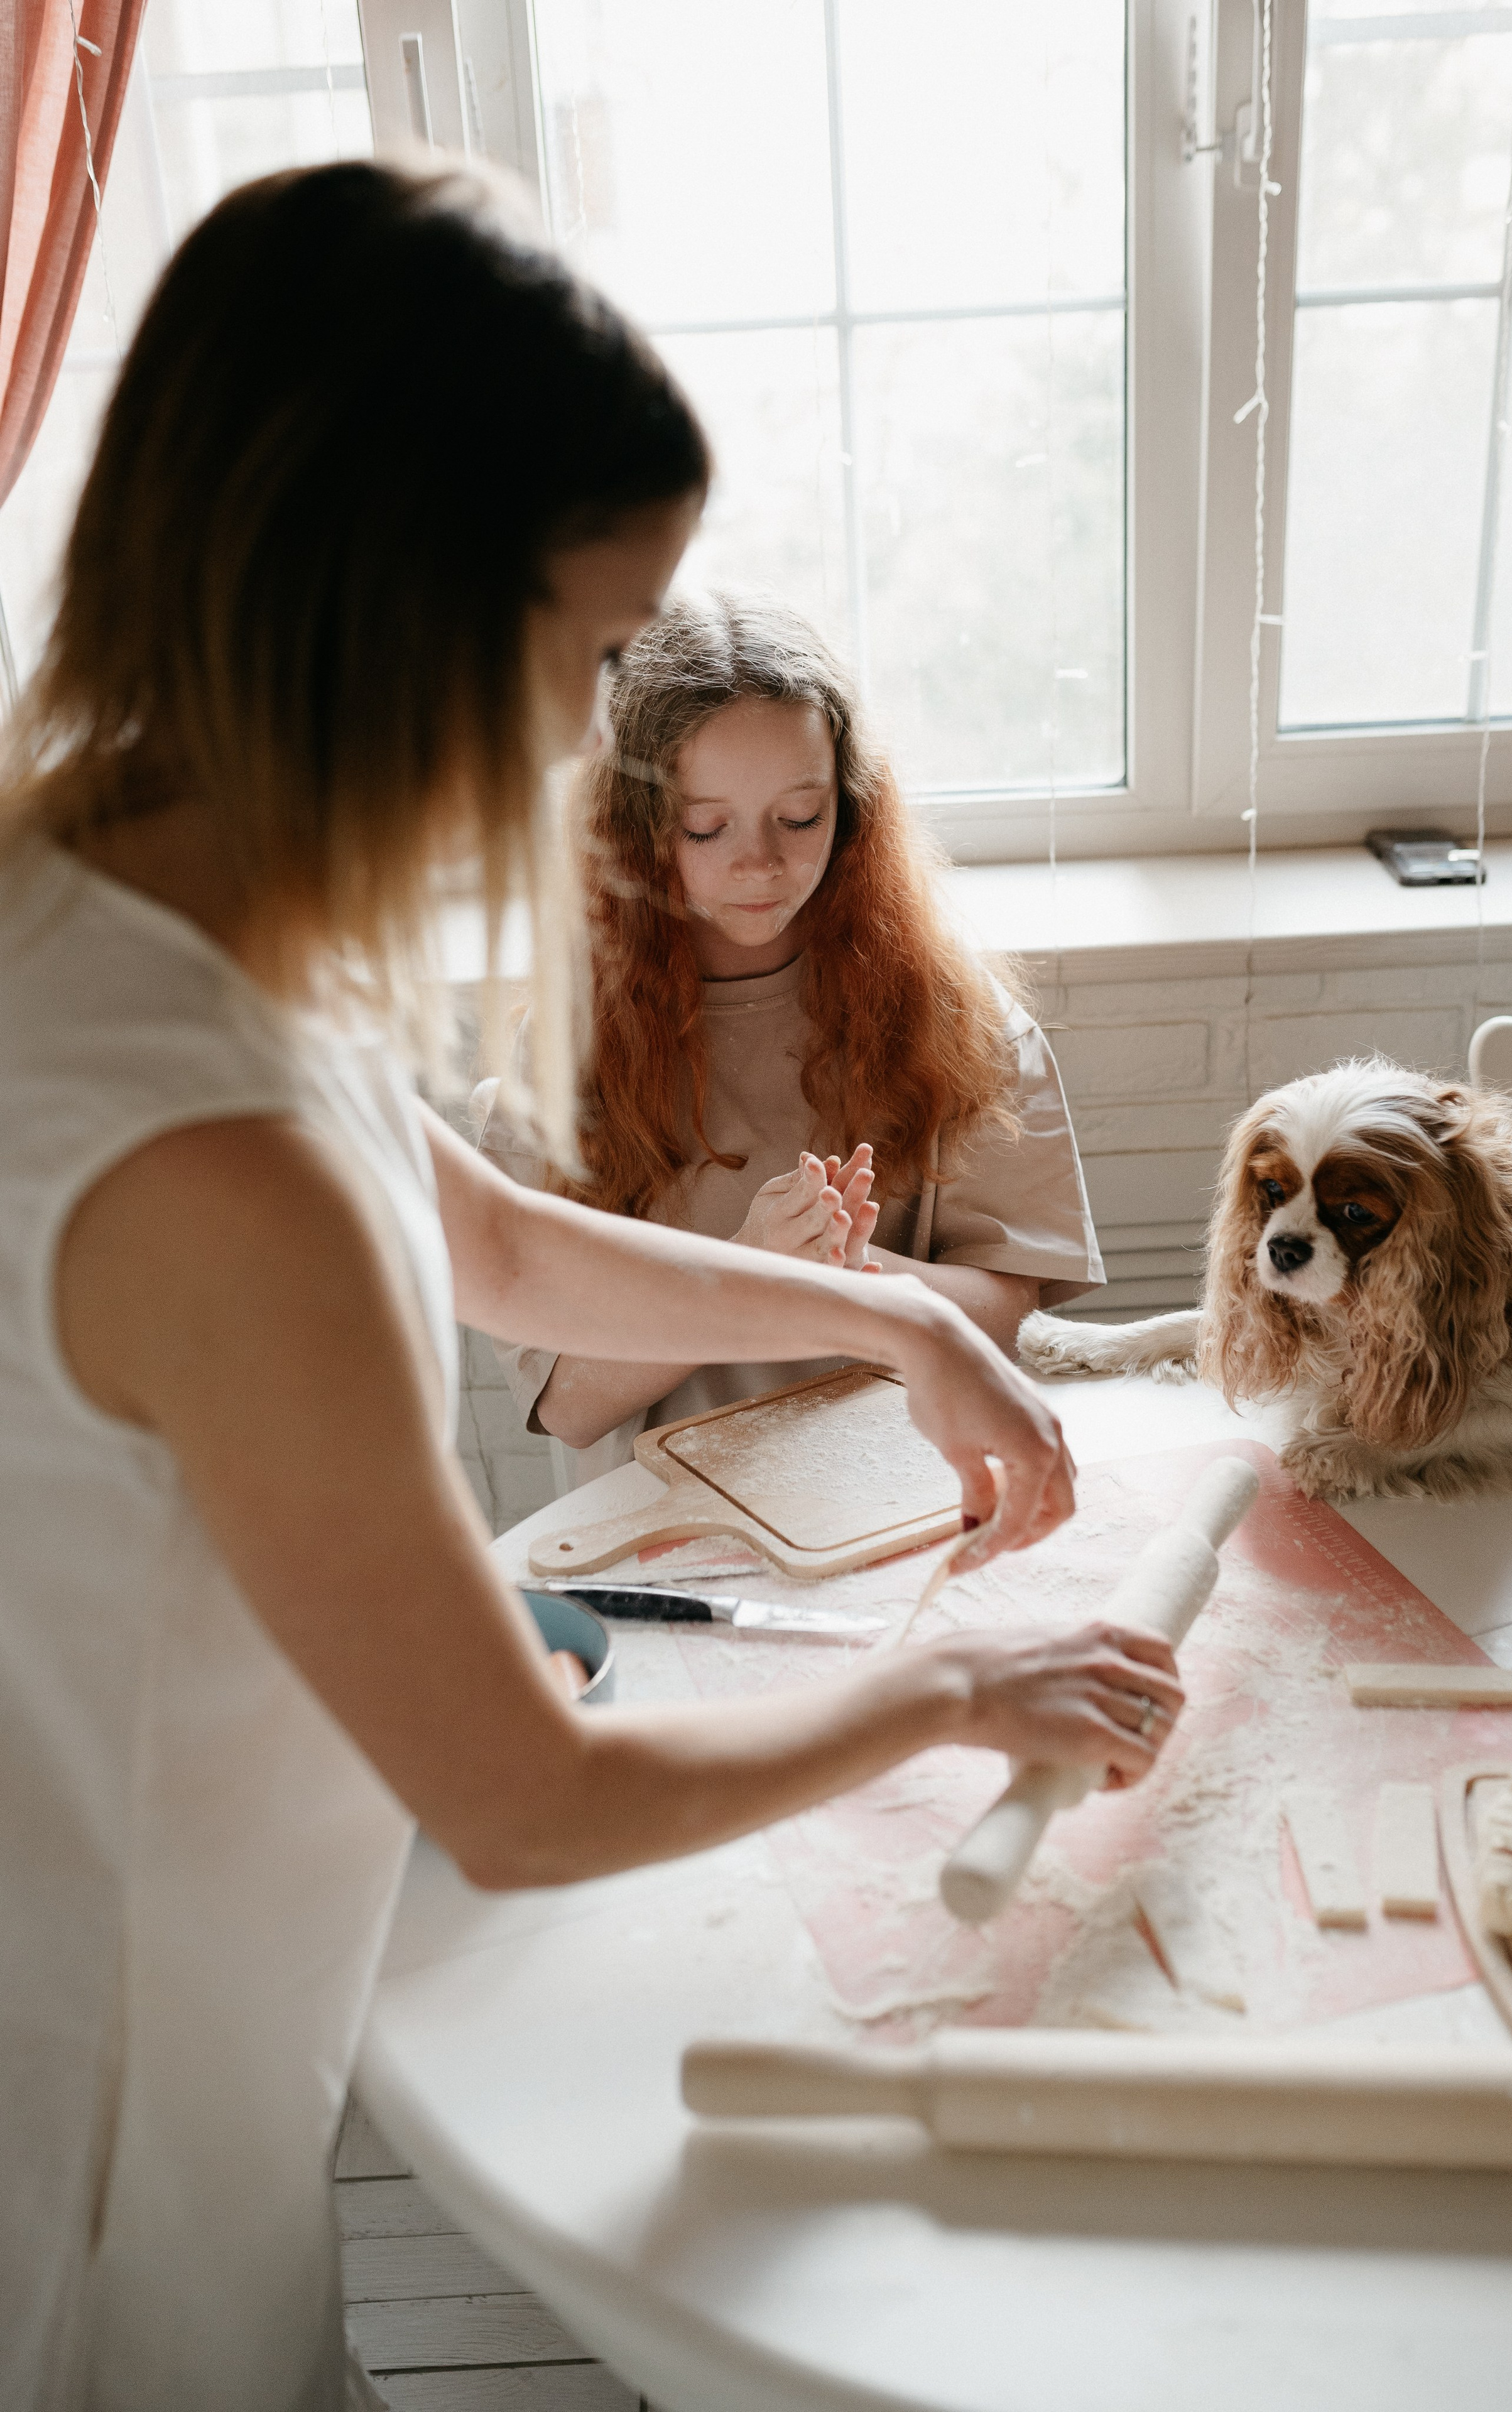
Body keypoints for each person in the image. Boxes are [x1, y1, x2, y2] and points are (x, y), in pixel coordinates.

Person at [0, 160, 1180, 2411]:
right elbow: (526, 1802)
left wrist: (894, 1313)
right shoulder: (199, 1155)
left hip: (200, 2029)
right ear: (396, 615)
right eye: (585, 655)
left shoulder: (139, 904)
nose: (580, 737)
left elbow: (487, 1234)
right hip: (96, 2138)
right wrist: (958, 1686)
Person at [482, 589, 1104, 1482]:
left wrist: (851, 1271)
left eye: (800, 818)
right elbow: (568, 1404)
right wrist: (746, 1273)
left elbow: (1013, 1316)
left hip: (899, 1491)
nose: (761, 864)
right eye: (706, 827)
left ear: (850, 807)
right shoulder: (572, 1048)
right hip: (667, 1514)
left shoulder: (955, 1017)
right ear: (640, 829)